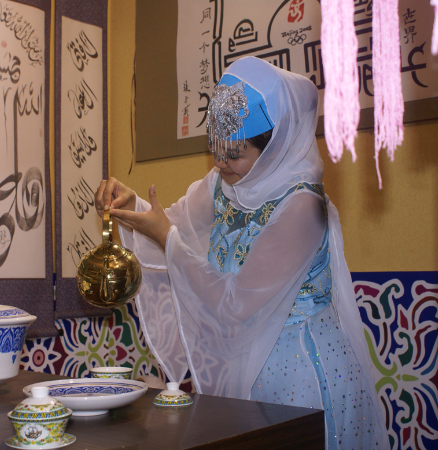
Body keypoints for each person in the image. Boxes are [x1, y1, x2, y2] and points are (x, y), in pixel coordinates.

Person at [96, 56, 389, 450]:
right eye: (215, 149)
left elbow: (234, 303)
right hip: (244, 365)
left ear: (275, 147)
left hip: (303, 372)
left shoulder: (302, 206)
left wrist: (167, 237)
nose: (221, 163)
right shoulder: (224, 183)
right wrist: (132, 206)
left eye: (234, 153)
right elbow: (175, 226)